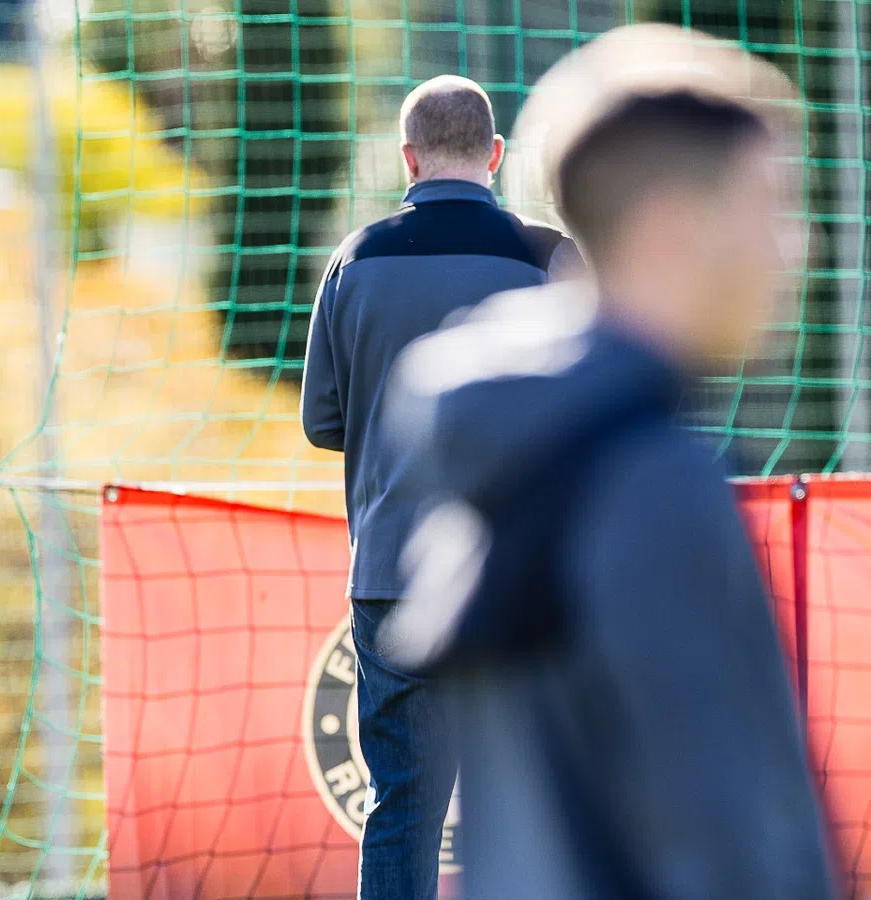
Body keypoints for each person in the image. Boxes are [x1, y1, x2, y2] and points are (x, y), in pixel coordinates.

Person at [378, 25, 835, 899]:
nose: (794, 244)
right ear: (670, 229)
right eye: (769, 204)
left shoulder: (512, 440)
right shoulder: (653, 481)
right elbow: (731, 842)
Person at [298, 75, 579, 899]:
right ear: (494, 155)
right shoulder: (548, 257)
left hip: (393, 574)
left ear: (407, 156)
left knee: (403, 803)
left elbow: (323, 420)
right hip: (523, 577)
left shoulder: (354, 259)